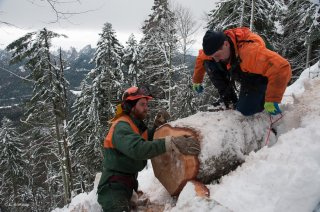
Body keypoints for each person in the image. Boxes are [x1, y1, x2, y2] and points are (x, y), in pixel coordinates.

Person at [97, 86, 200, 212]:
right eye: (142, 104)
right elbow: (138, 148)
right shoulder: (121, 126)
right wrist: (171, 142)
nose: (146, 108)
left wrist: (157, 127)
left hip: (126, 185)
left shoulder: (133, 124)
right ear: (131, 106)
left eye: (146, 104)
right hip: (113, 188)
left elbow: (144, 139)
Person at [192, 27, 292, 116]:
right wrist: (197, 80)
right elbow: (202, 57)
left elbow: (281, 67)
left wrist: (272, 99)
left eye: (217, 55)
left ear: (226, 44)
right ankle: (229, 100)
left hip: (260, 75)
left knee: (245, 111)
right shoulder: (218, 49)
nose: (216, 59)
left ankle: (262, 98)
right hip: (242, 69)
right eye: (213, 56)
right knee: (209, 62)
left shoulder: (249, 52)